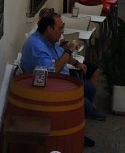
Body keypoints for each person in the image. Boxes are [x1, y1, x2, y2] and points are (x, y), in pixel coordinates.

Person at [20, 9, 105, 143]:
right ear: (49, 29)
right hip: (45, 88)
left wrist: (76, 63)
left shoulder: (48, 40)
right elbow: (51, 72)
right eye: (60, 29)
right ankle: (74, 135)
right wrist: (69, 51)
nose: (62, 32)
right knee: (85, 104)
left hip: (61, 80)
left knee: (90, 89)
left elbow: (61, 54)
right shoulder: (36, 45)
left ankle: (77, 130)